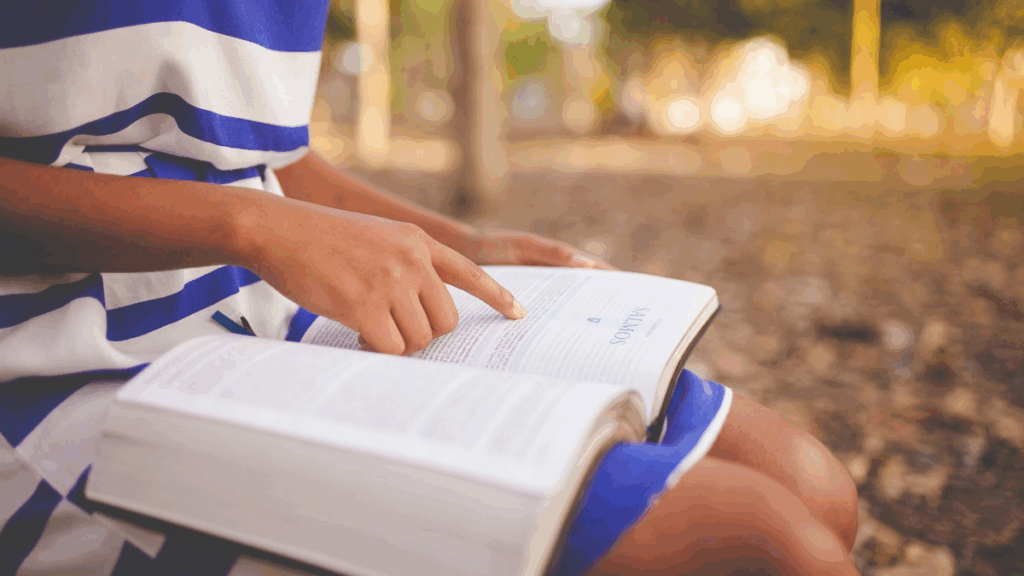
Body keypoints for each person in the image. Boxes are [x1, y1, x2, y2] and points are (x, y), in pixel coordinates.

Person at [0, 2, 859, 575]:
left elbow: (262, 151)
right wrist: (249, 229)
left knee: (811, 484)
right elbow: (246, 203)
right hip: (58, 359)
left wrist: (467, 245)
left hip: (276, 306)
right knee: (762, 546)